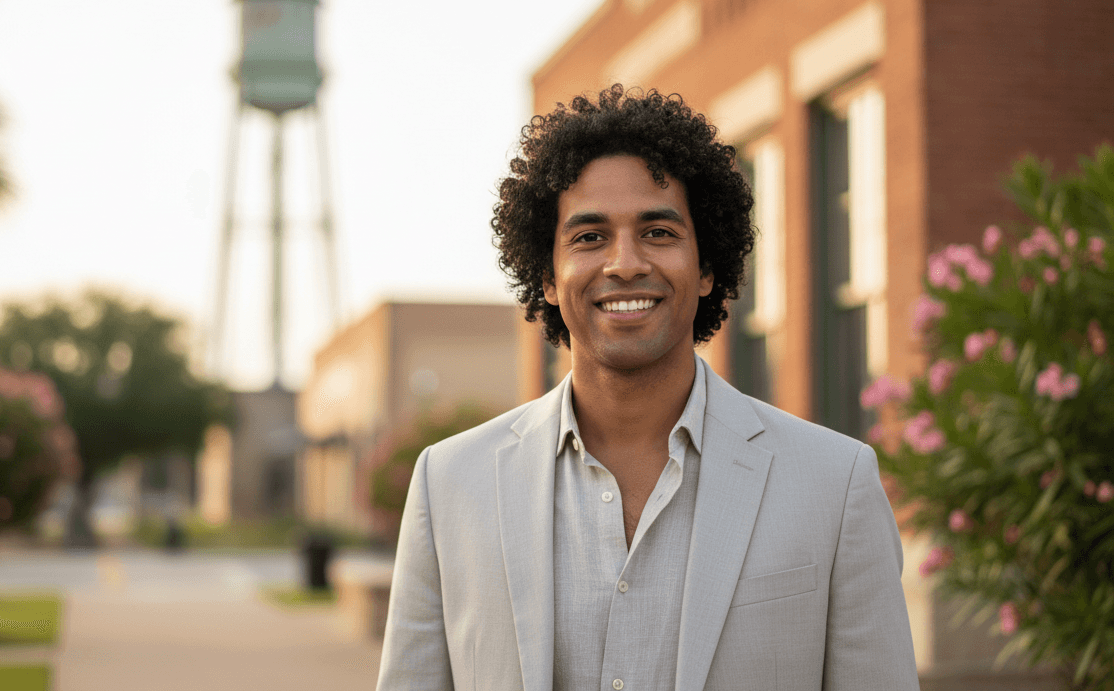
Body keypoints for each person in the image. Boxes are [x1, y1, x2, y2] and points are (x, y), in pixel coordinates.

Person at [376, 85, 919, 691]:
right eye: (589, 237)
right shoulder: (450, 484)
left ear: (707, 266)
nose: (625, 262)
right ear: (547, 276)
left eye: (658, 231)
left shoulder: (834, 483)